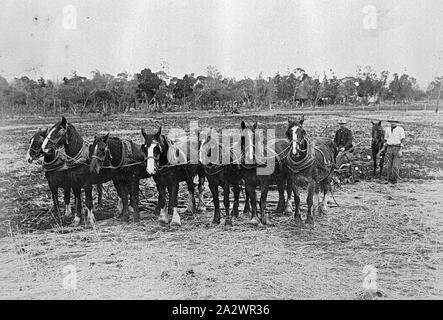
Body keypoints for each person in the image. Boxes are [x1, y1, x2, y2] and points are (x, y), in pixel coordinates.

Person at [380, 117, 405, 184]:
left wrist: (400, 150)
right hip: (389, 148)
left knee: (395, 165)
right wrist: (383, 148)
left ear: (396, 123)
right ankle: (388, 179)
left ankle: (395, 180)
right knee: (388, 165)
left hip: (397, 148)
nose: (392, 123)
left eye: (394, 122)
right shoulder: (387, 129)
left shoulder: (400, 129)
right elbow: (386, 139)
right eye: (391, 122)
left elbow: (402, 139)